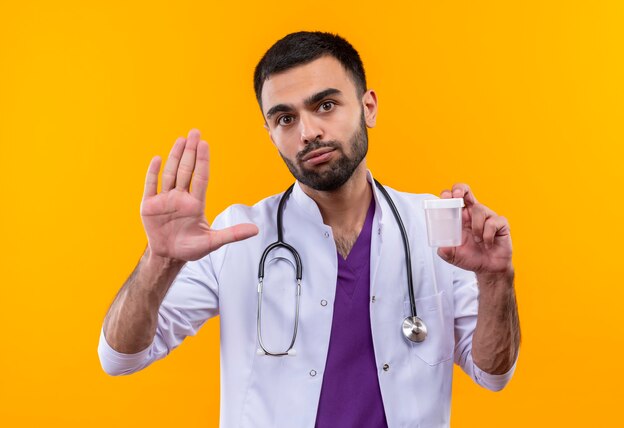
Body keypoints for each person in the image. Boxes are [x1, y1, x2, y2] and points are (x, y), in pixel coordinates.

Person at [98, 31, 520, 427]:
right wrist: (160, 260)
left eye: (325, 105)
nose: (308, 133)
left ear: (368, 107)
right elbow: (120, 357)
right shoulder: (237, 236)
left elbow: (492, 373)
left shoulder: (437, 227)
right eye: (284, 118)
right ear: (270, 133)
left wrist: (495, 279)